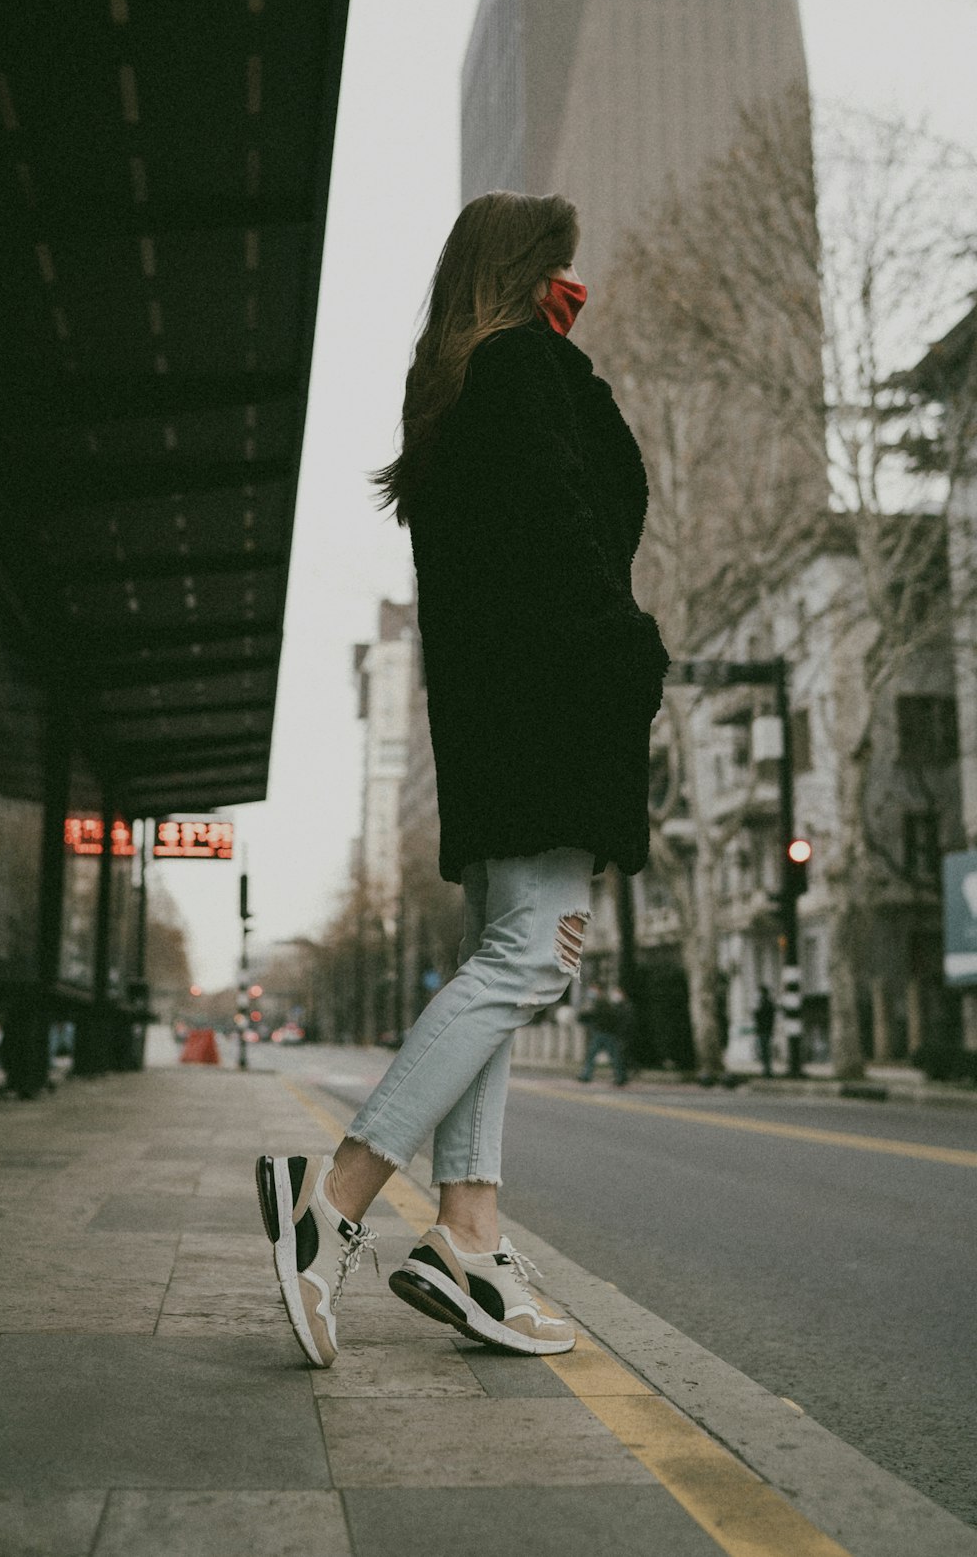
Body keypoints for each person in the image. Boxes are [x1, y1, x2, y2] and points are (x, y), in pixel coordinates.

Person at [254, 191, 670, 1369]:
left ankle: (469, 1235)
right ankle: (333, 1203)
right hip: (549, 714)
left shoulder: (461, 385)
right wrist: (626, 646)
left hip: (500, 725)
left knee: (504, 950)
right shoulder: (520, 374)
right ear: (531, 271)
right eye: (562, 273)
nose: (571, 294)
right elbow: (572, 533)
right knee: (531, 955)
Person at [578, 985, 632, 1086]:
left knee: (608, 1055)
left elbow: (602, 1017)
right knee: (596, 1055)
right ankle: (588, 1075)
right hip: (603, 1032)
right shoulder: (602, 1003)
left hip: (605, 1033)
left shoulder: (604, 1003)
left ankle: (619, 1076)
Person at [753, 983, 776, 1077]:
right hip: (764, 1030)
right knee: (764, 1051)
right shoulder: (765, 1003)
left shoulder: (765, 1004)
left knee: (765, 1051)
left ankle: (767, 1070)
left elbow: (761, 1016)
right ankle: (766, 1069)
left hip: (764, 1030)